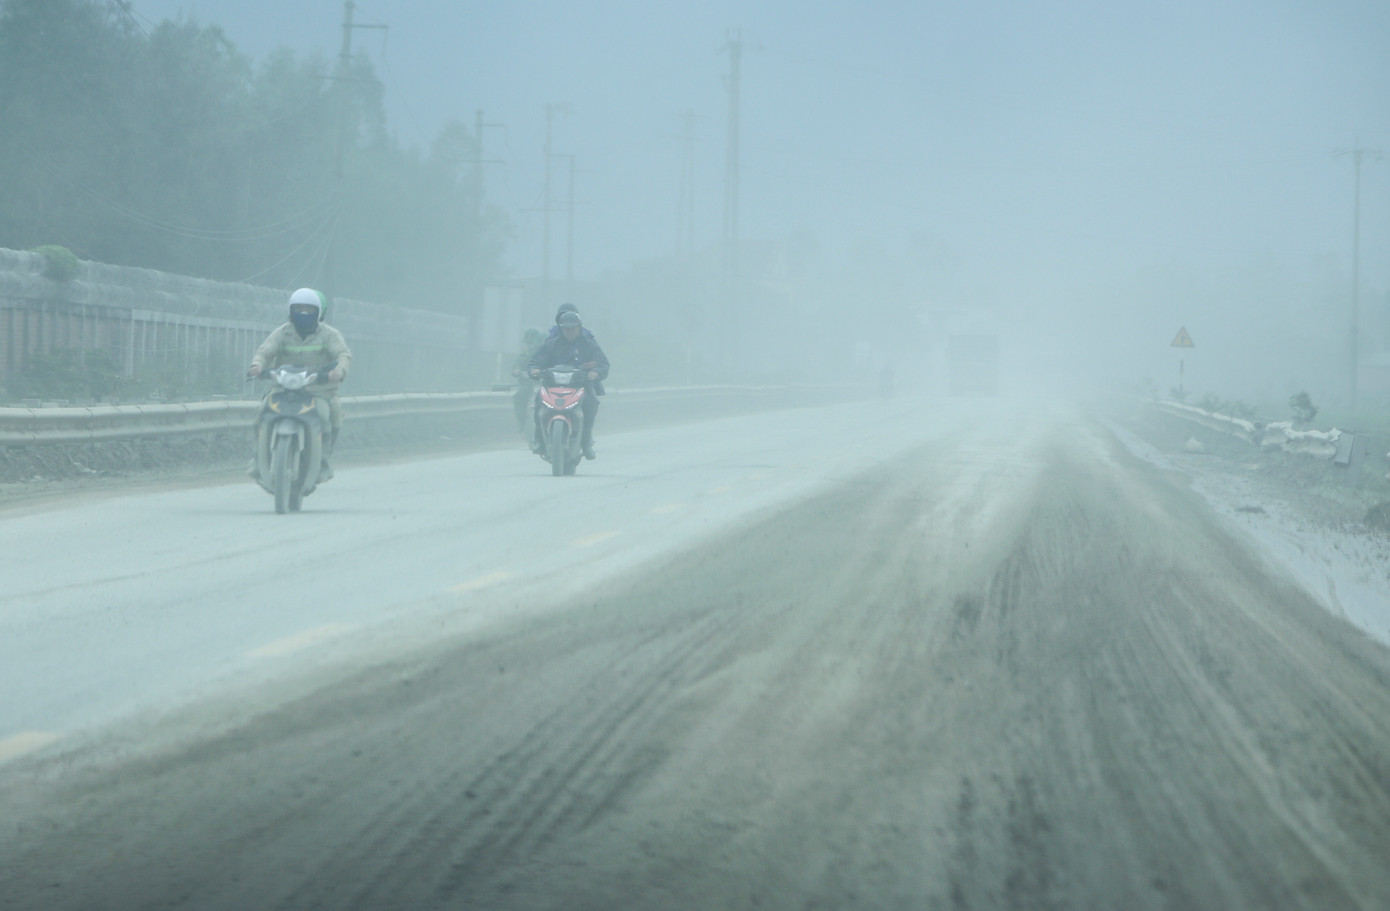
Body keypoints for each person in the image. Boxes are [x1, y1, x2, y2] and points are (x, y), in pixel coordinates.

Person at [247, 288, 352, 482]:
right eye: (299, 308)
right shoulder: (282, 332)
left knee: (331, 418)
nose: (303, 313)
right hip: (282, 388)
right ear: (290, 310)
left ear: (318, 312)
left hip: (320, 391)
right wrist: (257, 365)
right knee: (260, 414)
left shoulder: (330, 334)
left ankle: (322, 462)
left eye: (309, 309)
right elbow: (265, 351)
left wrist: (338, 371)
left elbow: (343, 355)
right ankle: (258, 460)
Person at [528, 308, 609, 460]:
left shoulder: (589, 345)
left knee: (590, 404)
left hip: (580, 386)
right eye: (566, 328)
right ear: (561, 328)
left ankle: (585, 443)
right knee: (539, 404)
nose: (569, 331)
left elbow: (603, 364)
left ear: (579, 327)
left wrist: (595, 373)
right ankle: (539, 439)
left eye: (573, 328)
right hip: (551, 386)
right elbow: (536, 361)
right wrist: (534, 370)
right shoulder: (551, 345)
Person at [510, 327, 545, 437]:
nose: (530, 345)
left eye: (532, 342)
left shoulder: (551, 353)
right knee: (519, 396)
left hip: (547, 384)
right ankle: (522, 422)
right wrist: (517, 369)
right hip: (529, 383)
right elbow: (519, 362)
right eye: (528, 343)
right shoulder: (527, 354)